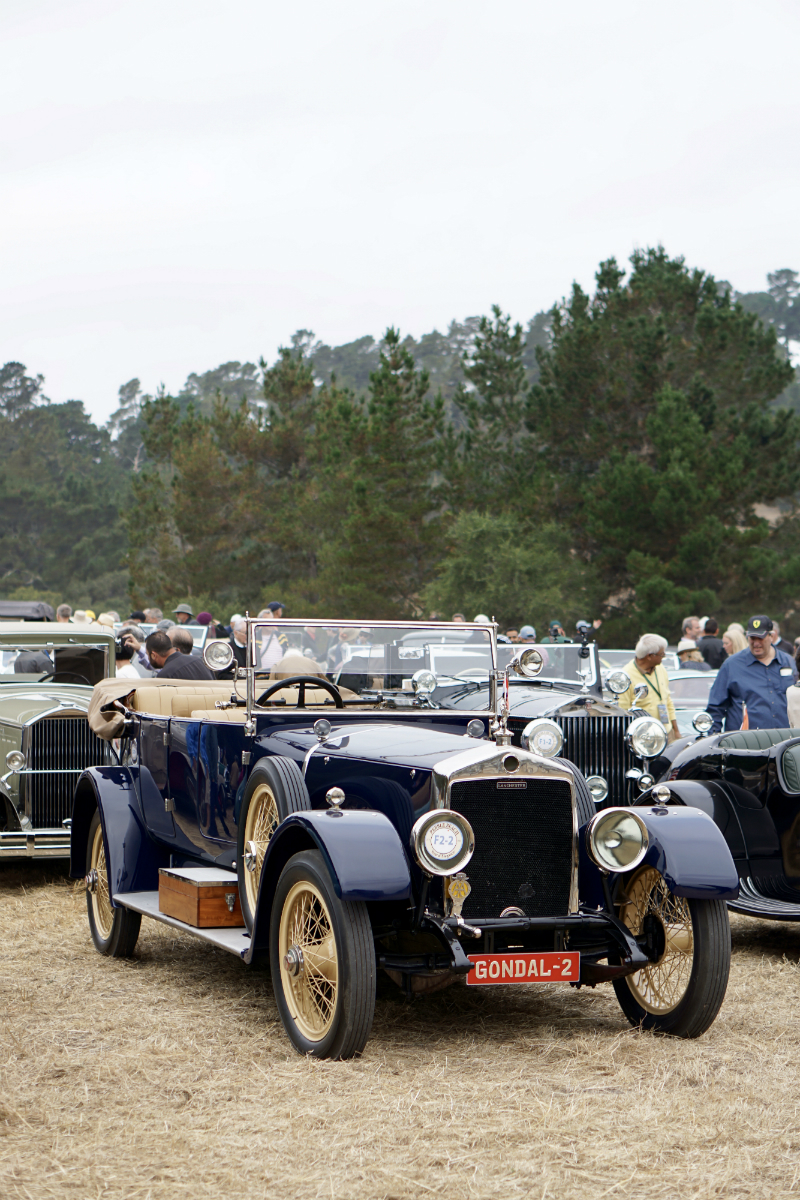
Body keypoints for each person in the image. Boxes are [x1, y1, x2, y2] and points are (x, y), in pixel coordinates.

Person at [707, 615, 798, 733]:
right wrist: (714, 739)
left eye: (760, 638)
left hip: (785, 740)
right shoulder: (732, 665)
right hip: (745, 743)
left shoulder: (789, 662)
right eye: (752, 638)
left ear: (771, 636)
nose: (756, 643)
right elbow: (715, 708)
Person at [618, 634, 680, 741]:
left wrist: (676, 731)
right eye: (661, 654)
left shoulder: (661, 669)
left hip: (667, 731)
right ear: (650, 656)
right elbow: (623, 711)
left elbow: (668, 701)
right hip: (644, 737)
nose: (664, 656)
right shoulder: (626, 676)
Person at [145, 630, 213, 680]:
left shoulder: (165, 675)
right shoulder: (199, 661)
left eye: (147, 654)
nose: (148, 658)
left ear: (153, 655)